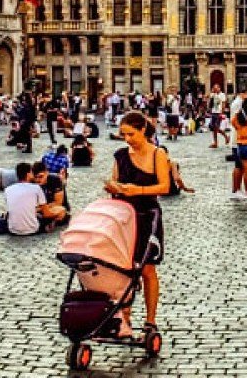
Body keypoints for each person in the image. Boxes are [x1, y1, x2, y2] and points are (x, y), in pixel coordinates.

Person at [104, 110, 169, 337]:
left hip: (147, 215)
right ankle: (125, 318)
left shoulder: (157, 154)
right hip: (124, 215)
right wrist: (113, 187)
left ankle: (150, 321)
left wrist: (137, 190)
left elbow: (164, 186)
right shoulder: (121, 155)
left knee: (147, 269)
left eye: (131, 134)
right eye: (124, 135)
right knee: (124, 269)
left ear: (143, 130)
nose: (127, 139)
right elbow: (114, 180)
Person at [4, 162, 47, 236]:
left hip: (12, 229)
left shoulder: (8, 189)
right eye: (31, 172)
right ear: (28, 174)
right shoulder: (36, 188)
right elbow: (45, 211)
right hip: (32, 229)